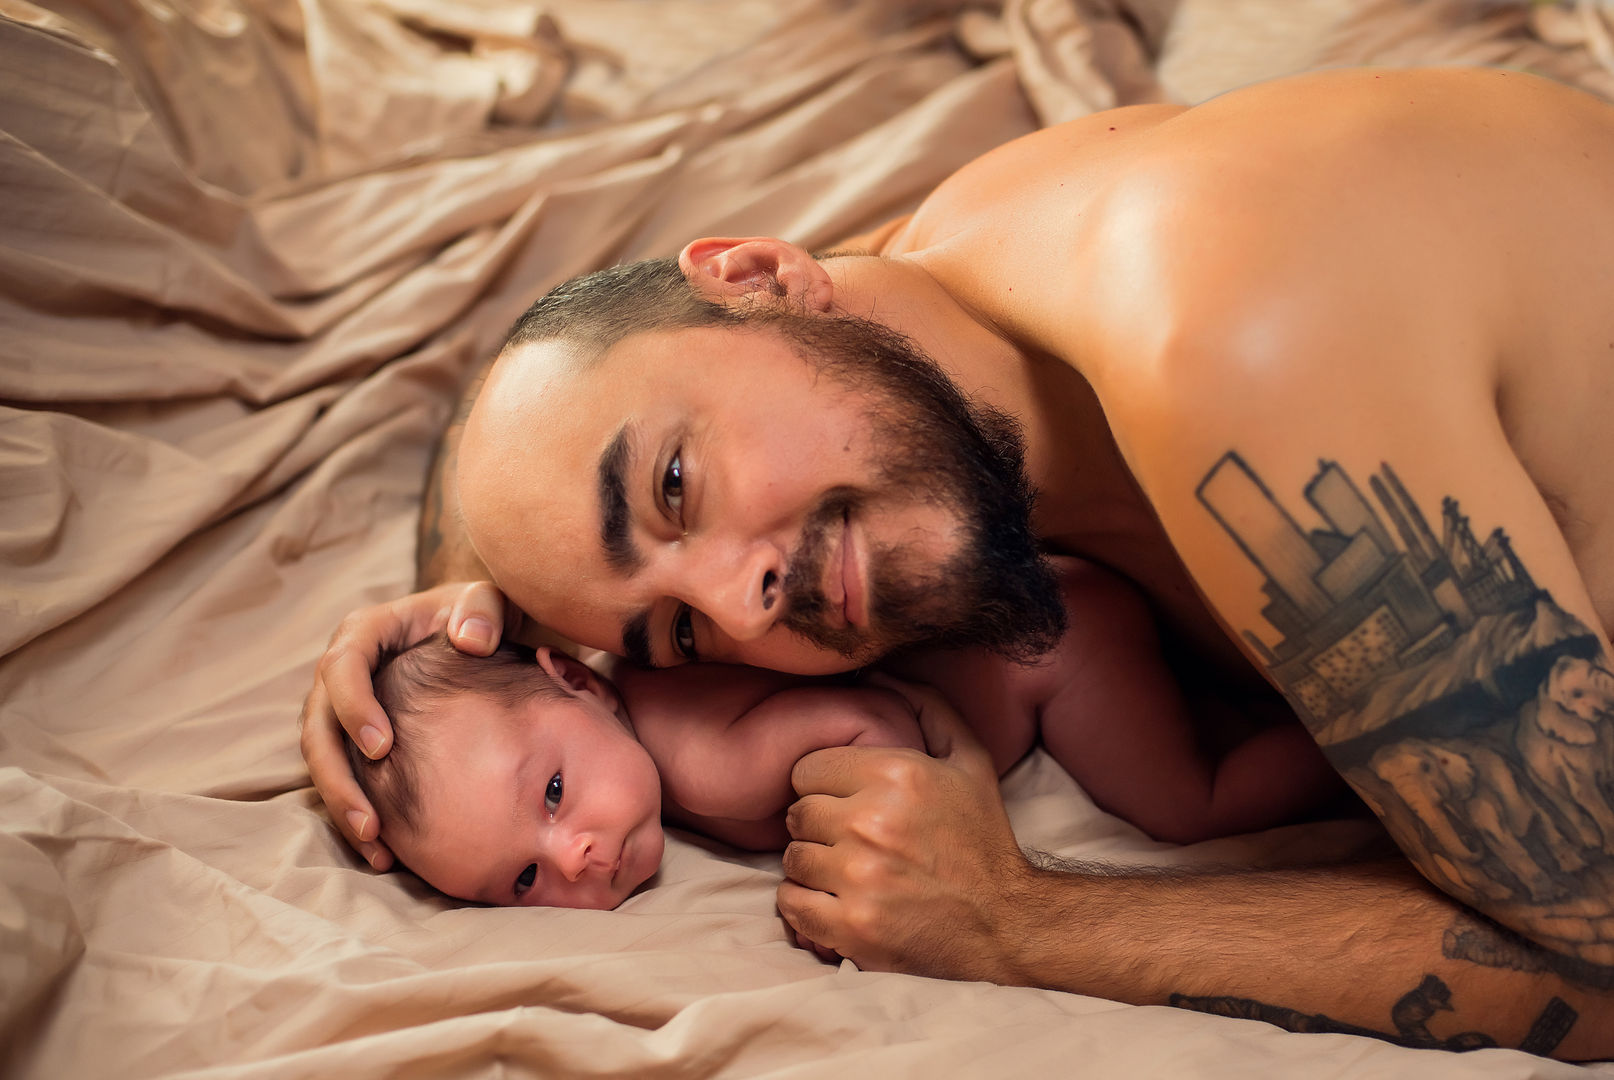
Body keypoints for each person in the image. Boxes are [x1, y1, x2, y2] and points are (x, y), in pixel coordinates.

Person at [301, 67, 1614, 1057]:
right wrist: (444, 646)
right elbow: (579, 404)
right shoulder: (932, 281)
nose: (739, 600)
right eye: (672, 637)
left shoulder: (1228, 345)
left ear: (758, 273)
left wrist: (1012, 918)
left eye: (675, 488)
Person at [349, 559, 1342, 908]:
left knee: (1188, 801)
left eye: (555, 797)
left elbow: (872, 723)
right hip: (1034, 605)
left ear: (576, 681)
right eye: (524, 882)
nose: (577, 858)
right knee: (1216, 707)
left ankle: (1357, 741)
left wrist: (864, 841)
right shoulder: (627, 708)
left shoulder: (706, 762)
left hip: (1051, 647)